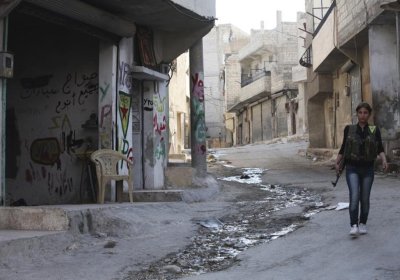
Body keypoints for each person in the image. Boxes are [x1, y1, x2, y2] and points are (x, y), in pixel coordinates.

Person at [335, 102, 388, 236]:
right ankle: (353, 225)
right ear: (357, 114)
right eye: (360, 113)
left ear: (369, 115)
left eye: (365, 113)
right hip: (352, 167)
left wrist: (384, 159)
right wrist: (338, 161)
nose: (362, 115)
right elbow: (343, 147)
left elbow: (380, 148)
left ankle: (363, 223)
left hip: (368, 169)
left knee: (364, 198)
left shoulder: (374, 130)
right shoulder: (349, 129)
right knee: (354, 196)